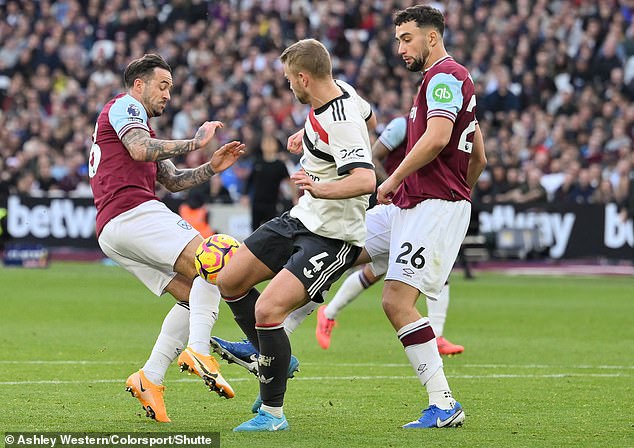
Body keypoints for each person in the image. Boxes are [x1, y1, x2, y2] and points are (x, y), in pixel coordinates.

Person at [215, 38, 376, 432]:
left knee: (268, 311)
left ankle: (272, 415)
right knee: (230, 280)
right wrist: (308, 141)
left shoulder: (341, 121)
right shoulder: (344, 94)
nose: (289, 86)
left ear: (304, 77)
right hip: (301, 217)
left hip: (333, 236)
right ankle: (277, 359)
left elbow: (366, 178)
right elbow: (370, 120)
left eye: (290, 80)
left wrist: (321, 185)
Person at [88, 53, 245, 423]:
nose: (167, 95)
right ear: (139, 84)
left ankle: (150, 377)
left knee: (195, 293)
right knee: (217, 256)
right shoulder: (125, 106)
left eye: (170, 88)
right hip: (132, 213)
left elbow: (172, 180)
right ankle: (199, 350)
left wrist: (211, 167)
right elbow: (139, 150)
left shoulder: (140, 125)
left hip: (115, 229)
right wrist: (196, 142)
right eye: (162, 86)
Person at [367, 5, 487, 428]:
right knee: (338, 239)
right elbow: (480, 155)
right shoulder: (442, 80)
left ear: (431, 37)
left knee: (397, 302)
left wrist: (396, 179)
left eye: (406, 38)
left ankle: (444, 403)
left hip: (430, 205)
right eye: (398, 39)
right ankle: (272, 336)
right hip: (416, 203)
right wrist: (461, 187)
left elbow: (438, 138)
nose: (399, 47)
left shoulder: (445, 77)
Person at [315, 115, 464, 355]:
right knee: (378, 271)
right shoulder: (402, 125)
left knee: (390, 269)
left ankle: (328, 313)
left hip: (418, 208)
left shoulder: (442, 128)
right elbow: (372, 157)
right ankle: (313, 310)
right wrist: (393, 182)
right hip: (393, 204)